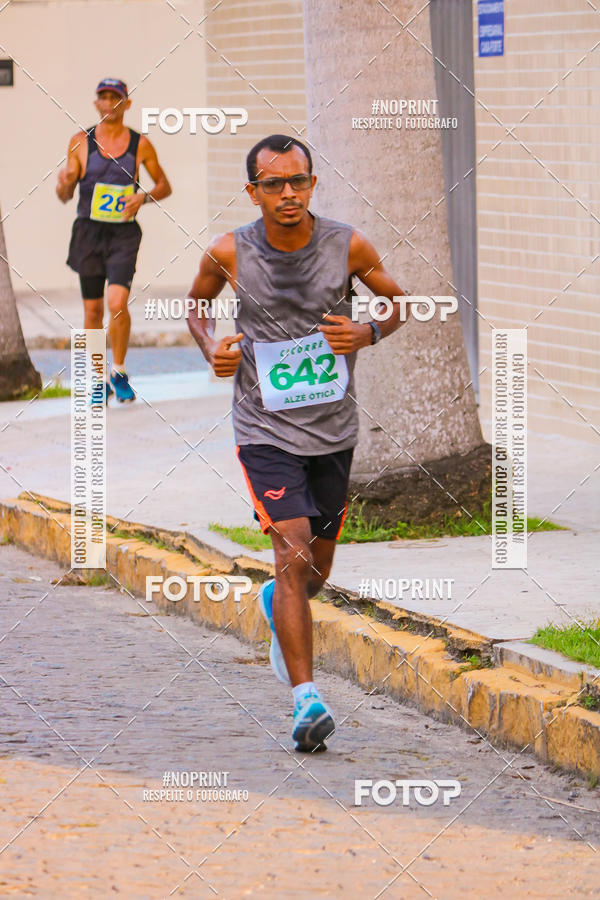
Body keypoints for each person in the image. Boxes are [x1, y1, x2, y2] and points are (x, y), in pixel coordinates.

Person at [187, 134, 406, 751]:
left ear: (312, 183)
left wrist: (368, 331)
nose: (289, 194)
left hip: (333, 429)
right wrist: (213, 348)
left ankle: (277, 605)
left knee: (315, 569)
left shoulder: (347, 244)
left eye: (300, 182)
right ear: (252, 190)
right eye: (275, 184)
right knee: (292, 554)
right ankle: (306, 702)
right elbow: (197, 305)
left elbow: (397, 302)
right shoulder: (230, 250)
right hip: (264, 429)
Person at [56, 77, 172, 403]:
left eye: (116, 98)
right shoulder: (80, 142)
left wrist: (143, 198)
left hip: (123, 233)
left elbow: (164, 185)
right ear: (96, 104)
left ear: (126, 104)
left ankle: (119, 371)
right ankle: (98, 379)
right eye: (103, 98)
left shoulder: (141, 145)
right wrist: (64, 183)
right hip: (88, 233)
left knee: (117, 303)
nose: (109, 104)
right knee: (92, 311)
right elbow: (65, 194)